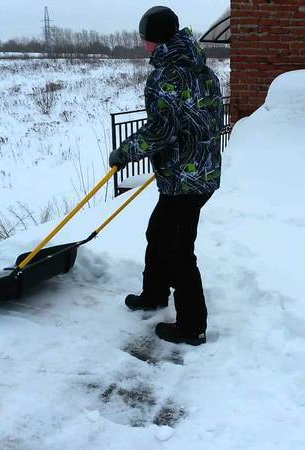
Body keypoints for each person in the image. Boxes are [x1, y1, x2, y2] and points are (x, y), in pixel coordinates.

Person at [109, 6, 223, 346]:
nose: (143, 44)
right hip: (199, 172)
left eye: (145, 38)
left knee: (177, 250)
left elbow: (161, 130)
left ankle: (192, 326)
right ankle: (154, 294)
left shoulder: (167, 75)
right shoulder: (201, 69)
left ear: (156, 40)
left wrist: (125, 153)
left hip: (184, 178)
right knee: (159, 233)